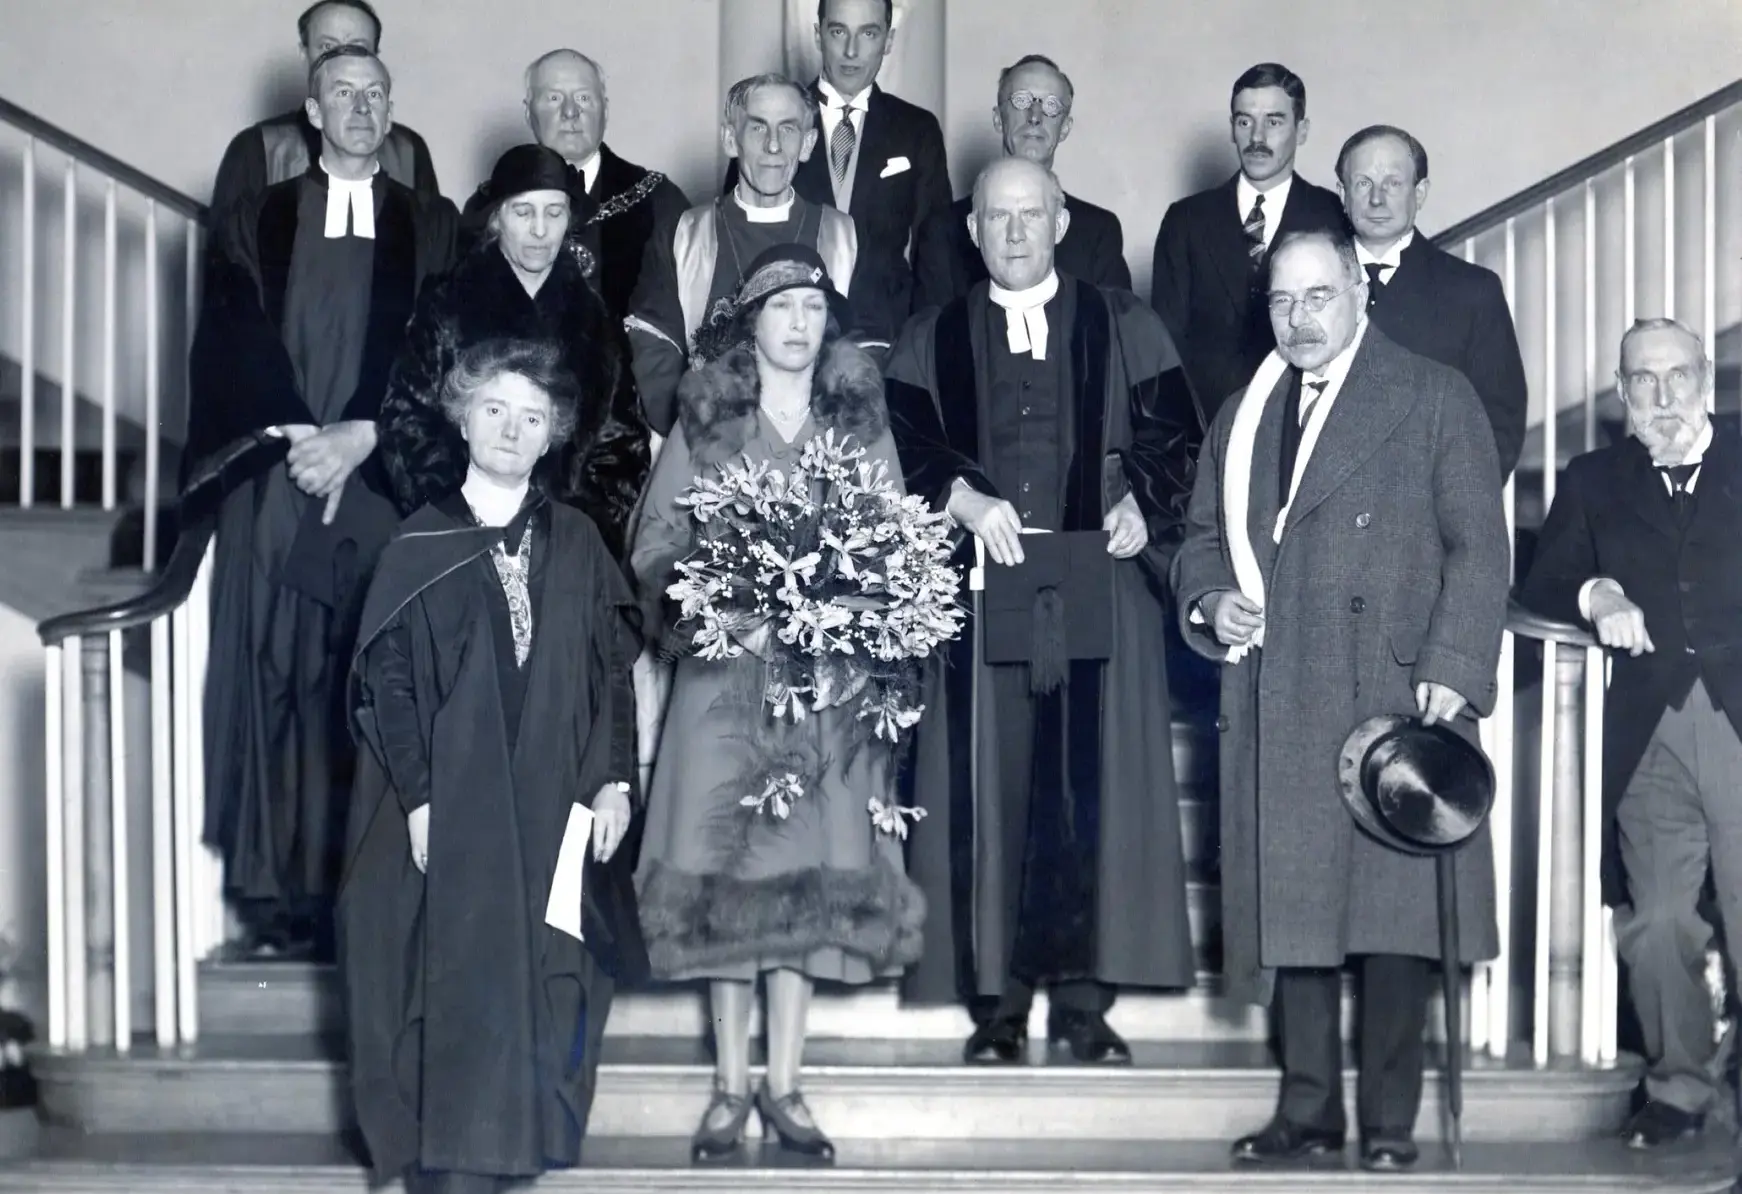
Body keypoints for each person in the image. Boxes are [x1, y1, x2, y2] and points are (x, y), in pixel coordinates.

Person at [1172, 227, 1509, 1171]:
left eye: (1319, 296)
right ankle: (1309, 1113)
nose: (1300, 319)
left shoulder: (1435, 394)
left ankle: (1390, 1125)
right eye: (1282, 302)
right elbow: (1203, 535)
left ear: (1361, 290)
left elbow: (1480, 548)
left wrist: (1453, 660)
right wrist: (1209, 597)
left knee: (1394, 928)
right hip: (1283, 687)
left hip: (1396, 695)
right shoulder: (1245, 412)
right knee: (1300, 918)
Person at [886, 158, 1199, 1066]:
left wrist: (1144, 500)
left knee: (1093, 796)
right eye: (996, 217)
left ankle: (1084, 1005)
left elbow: (1179, 438)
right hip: (983, 597)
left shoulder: (1125, 323)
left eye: (1031, 215)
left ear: (1062, 222)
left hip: (1101, 594)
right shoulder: (929, 336)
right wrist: (960, 499)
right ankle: (997, 1004)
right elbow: (901, 444)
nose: (1014, 233)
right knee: (994, 792)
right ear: (971, 229)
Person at [631, 244, 923, 1164]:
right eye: (779, 307)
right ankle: (727, 1090)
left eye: (810, 308)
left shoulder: (858, 418)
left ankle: (786, 1086)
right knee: (727, 876)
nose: (797, 324)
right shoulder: (708, 421)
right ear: (748, 321)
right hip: (726, 686)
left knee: (802, 883)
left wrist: (850, 632)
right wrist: (738, 620)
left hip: (828, 689)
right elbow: (656, 545)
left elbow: (894, 540)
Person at [341, 337, 647, 1194]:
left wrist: (615, 779)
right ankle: (452, 1166)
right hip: (455, 804)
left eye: (533, 417)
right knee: (449, 980)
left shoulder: (581, 541)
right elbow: (390, 688)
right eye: (495, 410)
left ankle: (519, 1157)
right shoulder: (417, 545)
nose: (513, 429)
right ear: (462, 416)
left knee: (553, 976)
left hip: (554, 798)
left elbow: (607, 673)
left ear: (554, 435)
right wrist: (419, 801)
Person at [189, 45, 457, 957]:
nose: (360, 107)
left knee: (365, 675)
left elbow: (442, 351)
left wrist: (367, 436)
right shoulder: (256, 218)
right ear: (311, 107)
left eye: (376, 94)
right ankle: (274, 901)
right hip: (275, 474)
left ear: (393, 111)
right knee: (272, 670)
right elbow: (229, 344)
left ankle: (363, 888)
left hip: (380, 476)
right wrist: (302, 434)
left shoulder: (431, 222)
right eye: (342, 93)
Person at [1518, 319, 1742, 1149]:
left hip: (1739, 717)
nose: (1663, 397)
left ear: (1706, 378)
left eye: (1678, 377)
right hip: (1648, 730)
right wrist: (1596, 593)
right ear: (1621, 394)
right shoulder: (1593, 478)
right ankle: (1679, 1085)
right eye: (1642, 382)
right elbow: (1543, 583)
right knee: (1656, 926)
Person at [379, 144, 650, 559]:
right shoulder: (447, 305)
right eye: (524, 213)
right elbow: (407, 426)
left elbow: (622, 447)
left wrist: (572, 531)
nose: (540, 231)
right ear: (496, 218)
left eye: (554, 213)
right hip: (461, 544)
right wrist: (461, 520)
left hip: (566, 550)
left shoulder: (596, 319)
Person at [626, 73, 857, 440]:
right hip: (703, 441)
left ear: (809, 142)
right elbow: (655, 343)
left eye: (788, 129)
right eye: (757, 128)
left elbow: (863, 349)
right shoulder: (683, 233)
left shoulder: (844, 236)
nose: (773, 146)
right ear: (730, 139)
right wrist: (692, 425)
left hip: (815, 443)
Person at [723, 0, 949, 348]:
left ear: (888, 40)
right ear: (818, 34)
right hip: (783, 342)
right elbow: (734, 235)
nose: (851, 50)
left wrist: (919, 350)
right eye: (839, 31)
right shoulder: (771, 123)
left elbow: (935, 257)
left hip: (883, 346)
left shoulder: (917, 131)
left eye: (868, 33)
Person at [1150, 63, 1345, 420]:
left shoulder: (1333, 216)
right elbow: (1165, 347)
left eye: (1273, 121)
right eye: (1244, 121)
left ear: (1301, 130)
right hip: (1208, 432)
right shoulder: (1186, 220)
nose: (1257, 137)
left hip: (1306, 427)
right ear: (1232, 129)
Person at [1337, 125, 1527, 477]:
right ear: (1342, 193)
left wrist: (1444, 511)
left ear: (1420, 192)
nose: (1377, 199)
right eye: (1363, 183)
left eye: (1393, 183)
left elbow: (1500, 425)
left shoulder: (1473, 291)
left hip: (1423, 519)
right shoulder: (1309, 286)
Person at [912, 54, 1131, 311]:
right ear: (998, 119)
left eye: (1051, 106)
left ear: (1065, 128)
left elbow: (1118, 334)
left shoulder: (1098, 232)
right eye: (1021, 101)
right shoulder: (943, 231)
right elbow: (928, 339)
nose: (1035, 116)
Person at [495, 48, 689, 322]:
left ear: (606, 111)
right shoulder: (492, 205)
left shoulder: (659, 201)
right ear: (528, 113)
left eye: (584, 98)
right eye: (553, 98)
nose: (570, 112)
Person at [208, 1, 438, 226]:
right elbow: (226, 257)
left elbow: (436, 251)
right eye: (327, 47)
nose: (342, 62)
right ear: (303, 53)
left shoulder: (409, 151)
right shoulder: (256, 148)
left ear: (376, 57)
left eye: (358, 48)